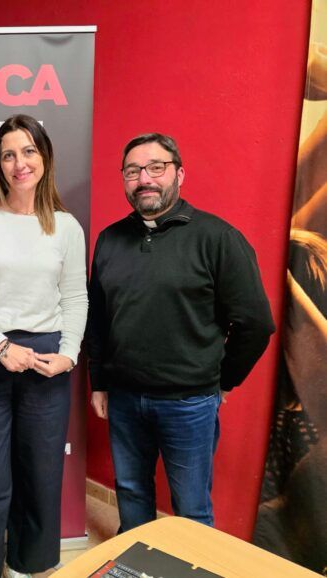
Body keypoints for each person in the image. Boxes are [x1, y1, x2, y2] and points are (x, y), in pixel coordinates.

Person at [87, 132, 275, 532]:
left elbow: (256, 323)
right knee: (131, 493)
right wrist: (99, 381)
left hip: (188, 404)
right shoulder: (109, 240)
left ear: (179, 174)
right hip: (124, 399)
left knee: (191, 510)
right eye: (133, 171)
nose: (145, 179)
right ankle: (136, 560)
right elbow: (98, 319)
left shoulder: (218, 239)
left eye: (156, 168)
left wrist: (222, 380)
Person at [0, 114, 88, 578]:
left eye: (28, 151)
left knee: (40, 478)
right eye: (8, 154)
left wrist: (69, 354)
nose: (19, 163)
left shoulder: (66, 227)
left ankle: (27, 567)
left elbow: (75, 297)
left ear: (45, 157)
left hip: (46, 361)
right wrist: (1, 347)